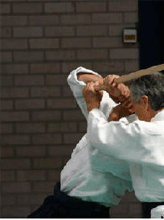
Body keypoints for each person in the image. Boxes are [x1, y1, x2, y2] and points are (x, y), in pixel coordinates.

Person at [84, 72, 164, 218]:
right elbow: (149, 119)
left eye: (135, 104)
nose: (133, 109)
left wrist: (93, 106)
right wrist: (122, 95)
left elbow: (100, 134)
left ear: (145, 101)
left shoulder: (148, 133)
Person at [27, 67, 134, 218]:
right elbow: (76, 78)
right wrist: (108, 84)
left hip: (89, 210)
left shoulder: (146, 135)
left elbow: (104, 152)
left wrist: (112, 115)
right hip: (58, 201)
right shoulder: (117, 108)